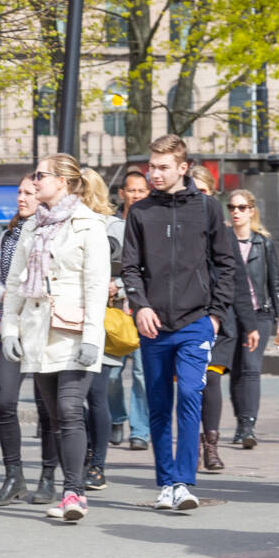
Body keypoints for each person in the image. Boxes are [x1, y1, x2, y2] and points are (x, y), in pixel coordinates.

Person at [121, 135, 236, 511]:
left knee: (189, 394)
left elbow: (225, 263)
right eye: (152, 166)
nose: (154, 173)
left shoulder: (206, 208)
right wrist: (139, 305)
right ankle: (166, 481)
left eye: (163, 167)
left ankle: (185, 482)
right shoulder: (140, 213)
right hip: (153, 325)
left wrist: (217, 314)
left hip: (196, 322)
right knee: (158, 404)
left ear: (183, 168)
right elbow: (130, 267)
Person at [0, 153, 109, 522]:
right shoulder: (32, 226)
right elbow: (15, 284)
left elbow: (96, 286)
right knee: (54, 416)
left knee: (68, 409)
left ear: (62, 181)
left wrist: (93, 336)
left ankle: (73, 493)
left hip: (75, 332)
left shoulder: (88, 225)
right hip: (38, 331)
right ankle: (69, 487)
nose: (34, 181)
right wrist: (8, 328)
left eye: (41, 175)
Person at [0, 174, 59, 507]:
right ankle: (13, 475)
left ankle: (48, 477)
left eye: (29, 192)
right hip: (13, 324)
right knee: (4, 401)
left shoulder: (54, 232)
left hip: (43, 325)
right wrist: (8, 298)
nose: (22, 198)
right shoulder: (9, 235)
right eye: (19, 192)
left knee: (47, 407)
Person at [189, 165, 257, 473]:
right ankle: (190, 445)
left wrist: (250, 324)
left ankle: (211, 447)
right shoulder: (175, 229)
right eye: (192, 191)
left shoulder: (224, 235)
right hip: (184, 317)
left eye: (203, 192)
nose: (198, 198)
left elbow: (238, 282)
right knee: (190, 387)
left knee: (212, 378)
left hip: (220, 320)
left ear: (212, 195)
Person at [225, 189, 279, 448]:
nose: (236, 212)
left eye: (241, 207)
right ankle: (240, 423)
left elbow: (275, 282)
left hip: (260, 314)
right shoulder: (223, 242)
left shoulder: (263, 242)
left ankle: (248, 425)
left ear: (251, 210)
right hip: (230, 314)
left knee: (250, 367)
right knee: (236, 370)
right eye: (232, 207)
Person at [80, 167, 122, 491]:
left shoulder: (114, 227)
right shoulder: (67, 225)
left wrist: (116, 287)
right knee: (72, 396)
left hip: (105, 319)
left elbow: (136, 270)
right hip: (71, 318)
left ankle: (97, 462)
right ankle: (79, 453)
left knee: (96, 393)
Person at [108, 170, 151, 451]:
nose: (136, 195)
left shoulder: (152, 223)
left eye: (141, 190)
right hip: (112, 310)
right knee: (110, 374)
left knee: (141, 374)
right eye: (131, 190)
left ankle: (140, 430)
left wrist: (124, 288)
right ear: (122, 192)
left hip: (143, 308)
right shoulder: (109, 225)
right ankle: (116, 417)